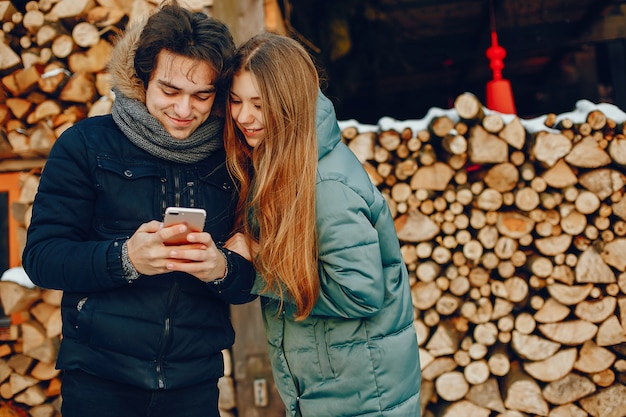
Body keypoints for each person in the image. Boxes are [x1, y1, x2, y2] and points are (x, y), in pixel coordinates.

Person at [21, 2, 256, 416]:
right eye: (170, 91)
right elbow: (42, 258)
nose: (185, 111)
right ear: (141, 77)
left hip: (195, 384)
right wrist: (125, 258)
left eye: (202, 96)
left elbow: (248, 280)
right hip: (99, 381)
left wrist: (222, 268)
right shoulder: (85, 145)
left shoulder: (232, 157)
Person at [223, 32, 421, 417]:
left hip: (362, 396)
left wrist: (259, 265)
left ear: (291, 104)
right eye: (236, 101)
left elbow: (360, 292)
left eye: (259, 104)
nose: (243, 116)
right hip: (333, 390)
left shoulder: (325, 183)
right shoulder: (279, 163)